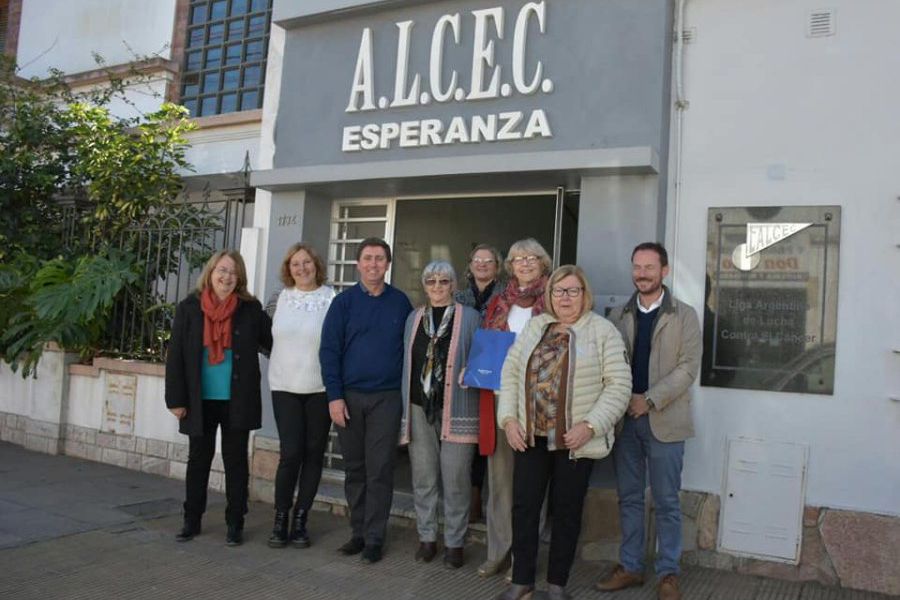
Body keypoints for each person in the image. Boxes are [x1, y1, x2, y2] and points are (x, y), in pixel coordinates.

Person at [494, 265, 631, 600]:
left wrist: (591, 426)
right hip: (530, 438)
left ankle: (556, 585)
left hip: (574, 442)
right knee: (524, 509)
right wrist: (509, 420)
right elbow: (510, 372)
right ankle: (522, 580)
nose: (565, 297)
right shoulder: (536, 327)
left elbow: (619, 385)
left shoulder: (602, 331)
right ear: (549, 295)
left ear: (585, 295)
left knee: (566, 512)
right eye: (558, 291)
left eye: (573, 291)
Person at [596, 242, 701, 600]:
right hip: (625, 422)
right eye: (637, 267)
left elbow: (688, 368)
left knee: (667, 501)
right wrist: (622, 402)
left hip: (665, 421)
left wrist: (650, 399)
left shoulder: (684, 316)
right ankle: (630, 567)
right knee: (629, 497)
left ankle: (668, 574)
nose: (641, 273)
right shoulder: (618, 315)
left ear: (664, 271)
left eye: (649, 267)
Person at [165, 250, 272, 546]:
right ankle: (191, 520)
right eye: (222, 270)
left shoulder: (251, 309)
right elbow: (175, 356)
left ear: (240, 279)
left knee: (236, 462)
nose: (226, 277)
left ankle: (235, 523)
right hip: (199, 400)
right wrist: (176, 398)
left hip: (237, 399)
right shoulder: (189, 307)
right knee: (198, 460)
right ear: (211, 272)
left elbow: (273, 341)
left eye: (233, 273)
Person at [319, 237, 413, 564]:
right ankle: (357, 533)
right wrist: (334, 397)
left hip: (386, 399)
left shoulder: (401, 303)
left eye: (379, 259)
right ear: (358, 264)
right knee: (355, 469)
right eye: (368, 258)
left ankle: (375, 538)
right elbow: (329, 352)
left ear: (387, 265)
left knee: (380, 470)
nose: (373, 264)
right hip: (349, 398)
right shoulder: (343, 304)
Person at [478, 238, 551, 579]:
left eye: (531, 257)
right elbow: (484, 345)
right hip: (499, 398)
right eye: (517, 258)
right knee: (500, 481)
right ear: (509, 264)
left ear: (542, 262)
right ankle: (497, 552)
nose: (524, 263)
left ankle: (523, 560)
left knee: (531, 484)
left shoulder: (554, 299)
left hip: (537, 401)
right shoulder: (497, 302)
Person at [400, 261, 481, 568]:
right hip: (420, 408)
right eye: (431, 281)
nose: (437, 286)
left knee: (457, 479)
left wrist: (469, 371)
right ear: (424, 285)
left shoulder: (471, 318)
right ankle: (427, 538)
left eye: (443, 281)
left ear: (453, 285)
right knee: (423, 477)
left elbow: (481, 357)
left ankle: (455, 543)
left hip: (458, 408)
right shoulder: (414, 318)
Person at [265, 243, 335, 548]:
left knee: (313, 455)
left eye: (307, 262)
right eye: (296, 264)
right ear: (288, 268)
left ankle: (301, 519)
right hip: (284, 387)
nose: (302, 268)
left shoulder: (332, 298)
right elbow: (263, 337)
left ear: (315, 265)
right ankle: (281, 517)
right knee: (290, 454)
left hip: (320, 389)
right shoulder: (278, 298)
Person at [454, 243, 503, 522]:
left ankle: (488, 503)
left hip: (493, 378)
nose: (482, 264)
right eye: (477, 260)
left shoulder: (506, 296)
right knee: (465, 440)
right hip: (461, 376)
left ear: (497, 266)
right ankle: (468, 499)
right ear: (470, 265)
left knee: (490, 441)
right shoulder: (457, 297)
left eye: (488, 260)